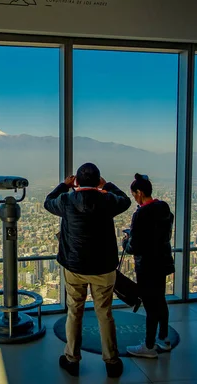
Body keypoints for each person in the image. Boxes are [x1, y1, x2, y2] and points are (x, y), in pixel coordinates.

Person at [44, 162, 131, 378]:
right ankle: (111, 361)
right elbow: (126, 200)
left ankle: (72, 359)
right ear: (98, 181)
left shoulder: (66, 200)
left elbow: (47, 202)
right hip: (103, 268)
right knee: (105, 314)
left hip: (74, 266)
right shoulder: (107, 199)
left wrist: (63, 186)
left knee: (74, 312)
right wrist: (107, 185)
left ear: (77, 182)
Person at [123, 173, 175, 358]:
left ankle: (149, 345)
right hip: (162, 262)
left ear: (139, 192)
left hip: (147, 266)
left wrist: (126, 241)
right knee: (160, 301)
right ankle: (164, 338)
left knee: (151, 305)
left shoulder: (141, 214)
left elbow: (134, 246)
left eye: (134, 194)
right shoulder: (164, 208)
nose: (134, 198)